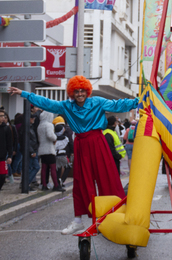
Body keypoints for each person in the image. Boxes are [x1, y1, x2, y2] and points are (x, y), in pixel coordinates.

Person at [8, 75, 139, 235]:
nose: (79, 94)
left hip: (98, 142)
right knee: (81, 182)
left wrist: (139, 101)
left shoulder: (97, 102)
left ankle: (118, 214)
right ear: (72, 92)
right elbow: (47, 103)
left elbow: (118, 104)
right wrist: (24, 93)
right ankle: (78, 220)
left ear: (87, 91)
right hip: (81, 145)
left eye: (82, 91)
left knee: (108, 177)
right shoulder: (66, 106)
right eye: (76, 91)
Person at [37, 111, 64, 192]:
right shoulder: (49, 125)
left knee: (44, 168)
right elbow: (50, 135)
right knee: (52, 167)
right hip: (49, 148)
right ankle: (56, 185)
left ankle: (44, 185)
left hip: (42, 148)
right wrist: (55, 138)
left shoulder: (40, 126)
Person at [18, 113, 40, 192]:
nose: (33, 119)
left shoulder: (30, 127)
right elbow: (26, 141)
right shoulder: (25, 128)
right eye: (32, 118)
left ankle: (26, 183)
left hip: (33, 150)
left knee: (32, 167)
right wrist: (32, 151)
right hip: (31, 151)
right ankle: (25, 183)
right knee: (34, 167)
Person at [0, 110, 13, 191]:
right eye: (0, 116)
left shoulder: (6, 128)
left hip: (2, 157)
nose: (2, 118)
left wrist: (10, 156)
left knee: (2, 177)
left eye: (3, 116)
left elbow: (9, 143)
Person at [11, 113, 23, 177]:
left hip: (18, 143)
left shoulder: (16, 125)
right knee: (19, 158)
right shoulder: (21, 125)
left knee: (19, 158)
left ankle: (17, 171)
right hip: (20, 143)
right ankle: (15, 171)